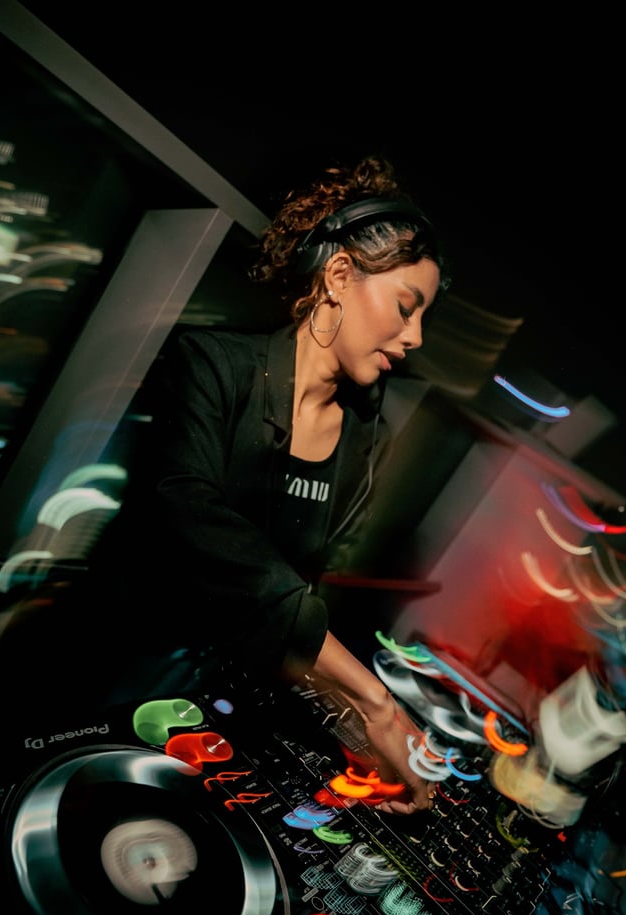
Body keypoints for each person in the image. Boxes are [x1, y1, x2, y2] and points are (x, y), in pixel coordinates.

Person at [105, 154, 450, 815]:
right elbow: (194, 522)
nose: (414, 337)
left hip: (213, 714)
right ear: (339, 276)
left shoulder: (363, 440)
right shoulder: (210, 365)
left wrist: (352, 731)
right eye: (406, 308)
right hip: (116, 678)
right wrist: (373, 704)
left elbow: (290, 604)